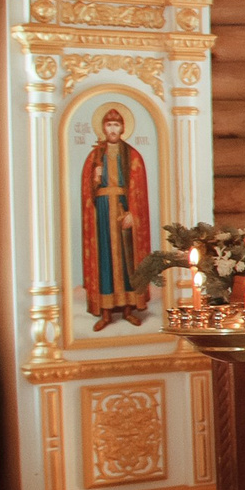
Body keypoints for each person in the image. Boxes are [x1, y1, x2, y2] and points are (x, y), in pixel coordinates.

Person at [80, 105, 153, 330]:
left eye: (116, 125)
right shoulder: (95, 156)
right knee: (104, 259)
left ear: (123, 128)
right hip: (102, 213)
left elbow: (138, 189)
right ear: (103, 128)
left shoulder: (133, 155)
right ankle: (106, 313)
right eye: (109, 125)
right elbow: (87, 192)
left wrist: (133, 214)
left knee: (127, 259)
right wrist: (95, 179)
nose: (112, 129)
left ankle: (129, 310)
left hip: (123, 211)